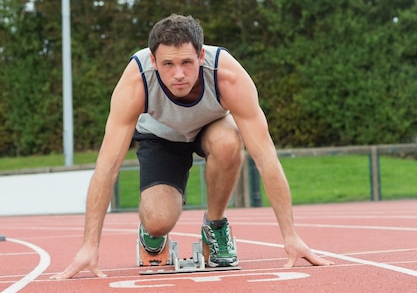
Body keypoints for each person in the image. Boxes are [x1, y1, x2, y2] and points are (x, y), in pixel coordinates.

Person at [52, 14, 332, 279]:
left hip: (211, 127)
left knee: (228, 141)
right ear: (153, 60)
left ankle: (215, 226)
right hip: (161, 136)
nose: (179, 74)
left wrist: (290, 236)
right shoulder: (137, 81)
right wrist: (90, 245)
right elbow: (108, 166)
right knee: (158, 220)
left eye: (187, 62)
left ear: (201, 55)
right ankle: (151, 234)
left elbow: (265, 157)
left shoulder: (227, 76)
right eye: (168, 65)